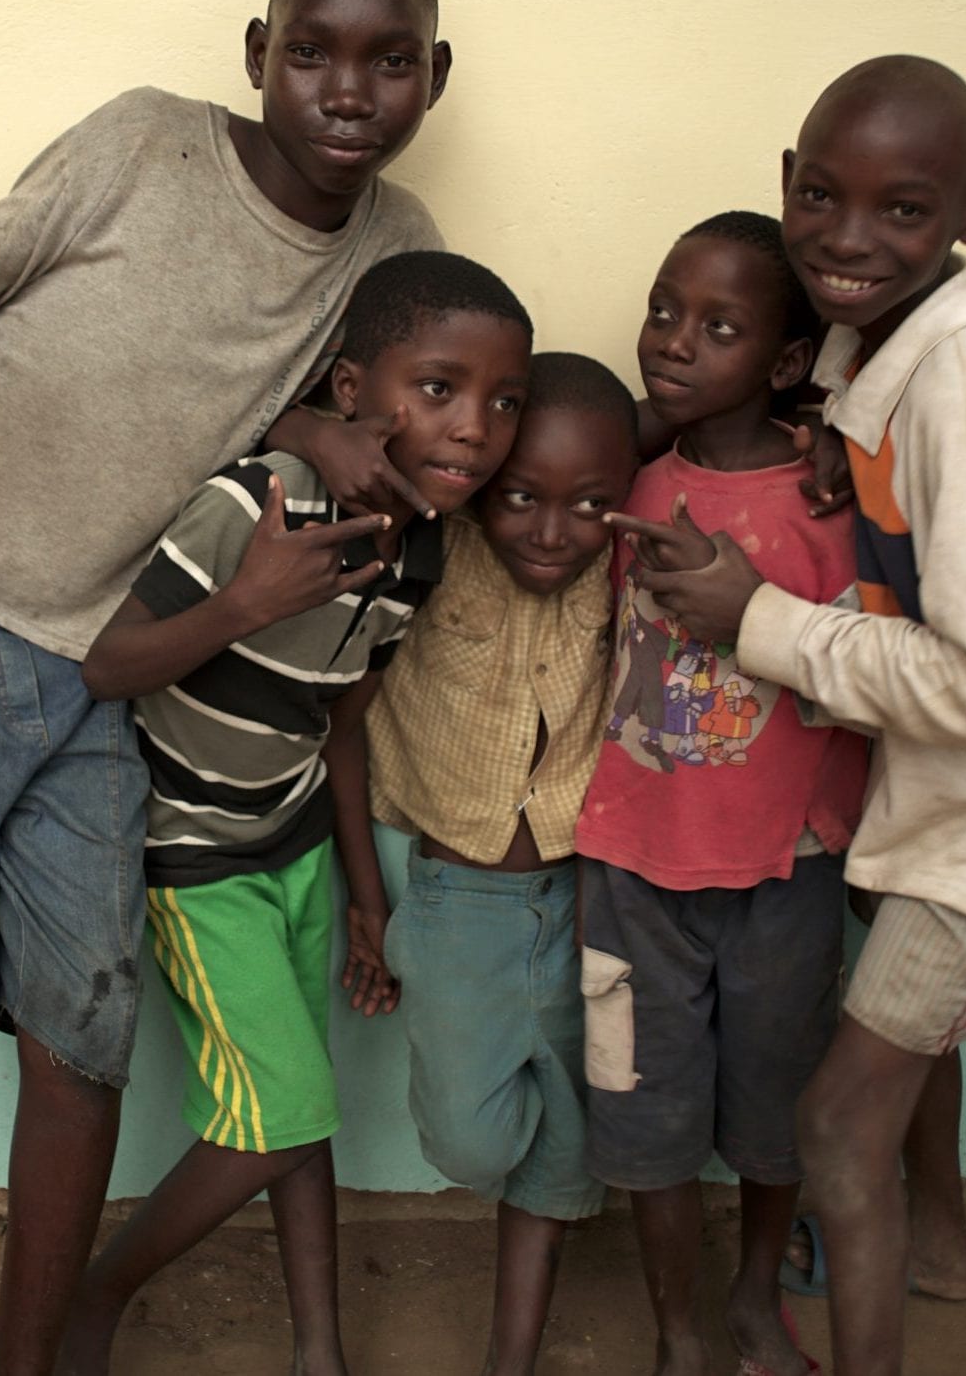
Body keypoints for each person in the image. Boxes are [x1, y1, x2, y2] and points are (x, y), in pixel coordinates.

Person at [0, 0, 457, 1375]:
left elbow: (322, 393)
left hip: (102, 658)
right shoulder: (142, 146)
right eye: (310, 51)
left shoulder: (396, 251)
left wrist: (300, 428)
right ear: (254, 57)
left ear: (432, 79)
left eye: (387, 60)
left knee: (82, 1019)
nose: (346, 89)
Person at [631, 57, 966, 1376]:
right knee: (901, 1056)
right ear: (785, 182)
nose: (847, 241)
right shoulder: (879, 343)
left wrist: (760, 625)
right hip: (926, 798)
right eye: (823, 198)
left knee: (840, 1125)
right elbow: (833, 341)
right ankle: (939, 1246)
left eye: (902, 211)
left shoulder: (962, 391)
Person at [56, 251, 534, 1375]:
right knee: (282, 1112)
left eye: (502, 402)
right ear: (350, 387)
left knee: (296, 1108)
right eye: (438, 389)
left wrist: (370, 899)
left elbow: (349, 718)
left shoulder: (421, 543)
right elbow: (105, 666)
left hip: (301, 841)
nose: (473, 428)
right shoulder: (255, 498)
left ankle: (320, 1348)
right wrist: (244, 602)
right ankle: (91, 1298)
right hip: (195, 855)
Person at [576, 211, 871, 1376]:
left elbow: (870, 678)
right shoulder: (624, 478)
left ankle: (753, 1294)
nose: (673, 342)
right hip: (632, 868)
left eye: (719, 326)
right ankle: (679, 1326)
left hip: (789, 867)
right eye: (662, 309)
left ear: (790, 363)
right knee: (639, 1105)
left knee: (776, 1101)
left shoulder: (832, 503)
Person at [356, 352, 642, 1376]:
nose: (553, 529)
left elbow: (658, 432)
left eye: (588, 504)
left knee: (569, 1150)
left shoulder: (616, 555)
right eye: (522, 495)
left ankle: (508, 1358)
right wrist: (362, 899)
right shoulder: (431, 546)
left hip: (587, 893)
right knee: (474, 1141)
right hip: (455, 900)